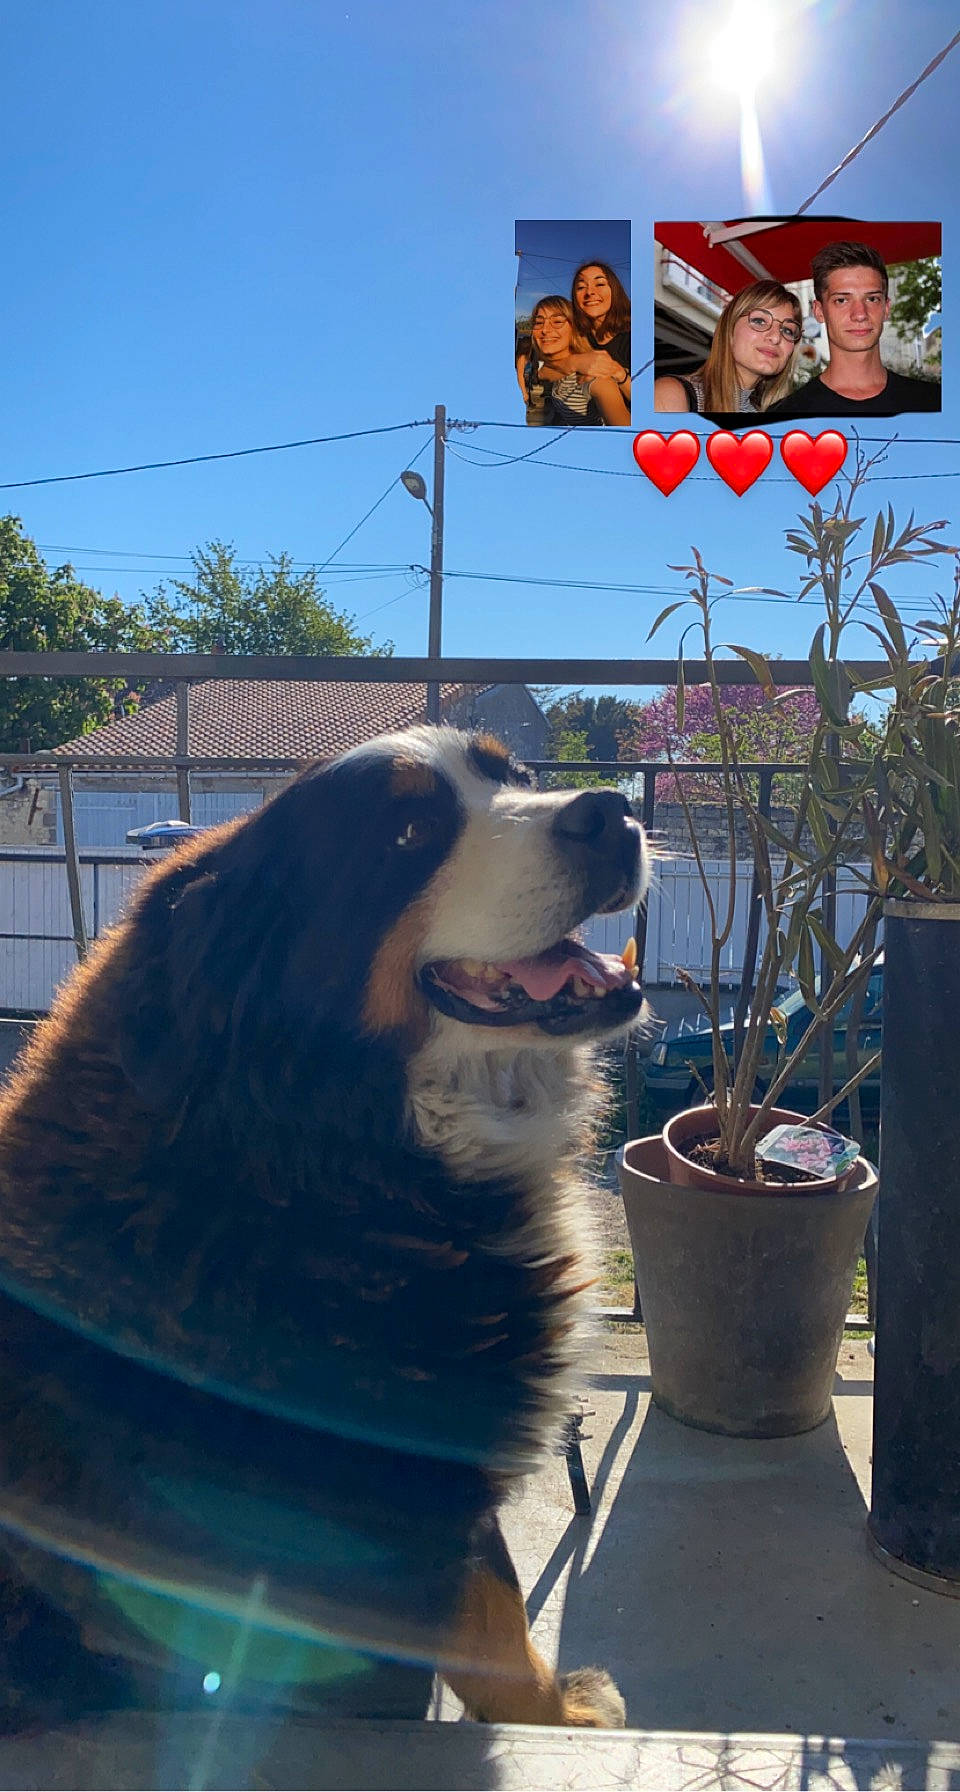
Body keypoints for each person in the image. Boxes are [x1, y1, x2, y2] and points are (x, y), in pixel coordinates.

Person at [766, 242, 940, 417]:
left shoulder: (934, 401)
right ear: (819, 312)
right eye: (842, 300)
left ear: (886, 309)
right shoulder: (786, 414)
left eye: (872, 299)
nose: (860, 314)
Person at [654, 279, 802, 418]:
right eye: (760, 321)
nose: (776, 338)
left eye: (788, 330)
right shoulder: (671, 396)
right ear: (729, 330)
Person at [527, 296, 630, 426]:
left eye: (558, 322)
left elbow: (625, 433)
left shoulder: (595, 380)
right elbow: (541, 372)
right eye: (538, 322)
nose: (545, 330)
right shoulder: (550, 365)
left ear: (574, 329)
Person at [571, 261, 631, 402]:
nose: (590, 292)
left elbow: (647, 403)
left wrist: (617, 372)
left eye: (600, 284)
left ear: (614, 290)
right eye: (581, 287)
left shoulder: (634, 336)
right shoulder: (579, 337)